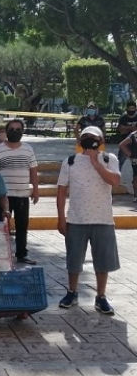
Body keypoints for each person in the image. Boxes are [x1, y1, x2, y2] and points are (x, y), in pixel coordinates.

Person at [57, 126, 121, 315]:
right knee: (74, 259)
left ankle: (101, 296)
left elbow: (115, 181)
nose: (90, 141)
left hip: (103, 219)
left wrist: (96, 162)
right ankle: (72, 291)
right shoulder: (70, 162)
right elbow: (61, 191)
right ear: (80, 141)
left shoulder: (110, 159)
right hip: (76, 219)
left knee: (102, 260)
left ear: (101, 141)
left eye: (94, 138)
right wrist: (61, 218)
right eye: (86, 138)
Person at [0, 119, 40, 264]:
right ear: (7, 131)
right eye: (12, 129)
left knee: (22, 225)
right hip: (3, 196)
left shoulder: (28, 149)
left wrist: (36, 190)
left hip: (22, 194)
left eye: (18, 129)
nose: (15, 132)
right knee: (1, 225)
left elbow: (33, 170)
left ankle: (21, 254)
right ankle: (0, 254)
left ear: (22, 131)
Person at [117, 101, 137, 169]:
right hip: (125, 143)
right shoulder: (123, 117)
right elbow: (120, 130)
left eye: (133, 108)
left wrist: (126, 128)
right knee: (120, 161)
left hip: (135, 143)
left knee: (135, 164)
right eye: (129, 108)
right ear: (127, 108)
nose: (131, 110)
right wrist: (131, 128)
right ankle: (117, 176)